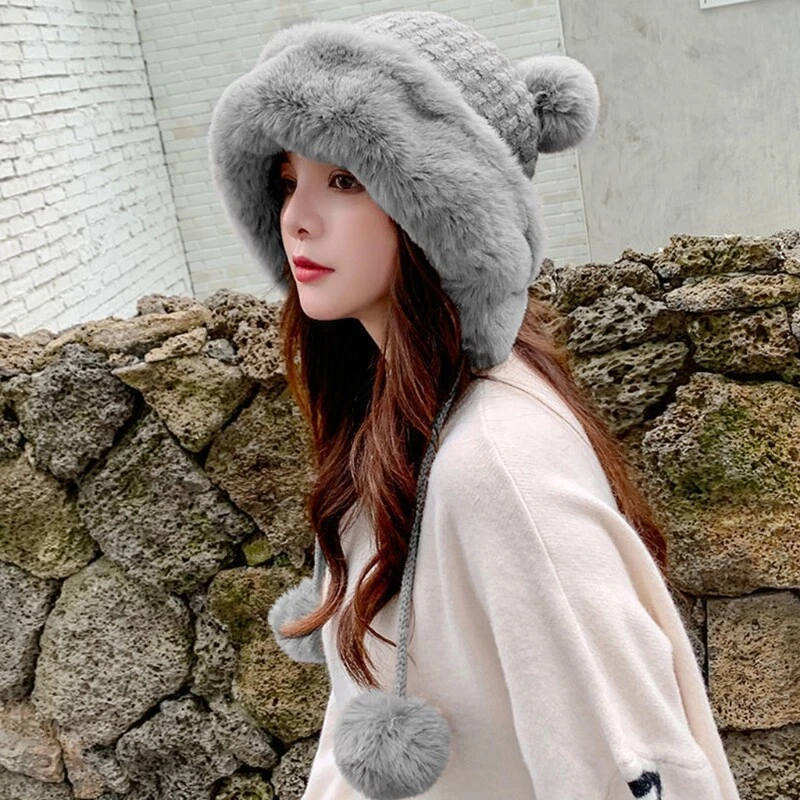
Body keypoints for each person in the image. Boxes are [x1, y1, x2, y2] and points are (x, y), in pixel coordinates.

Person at [208, 10, 742, 800]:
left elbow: (634, 764)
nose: (297, 217)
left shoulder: (497, 465)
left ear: (448, 213)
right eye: (288, 180)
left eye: (346, 180)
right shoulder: (400, 422)